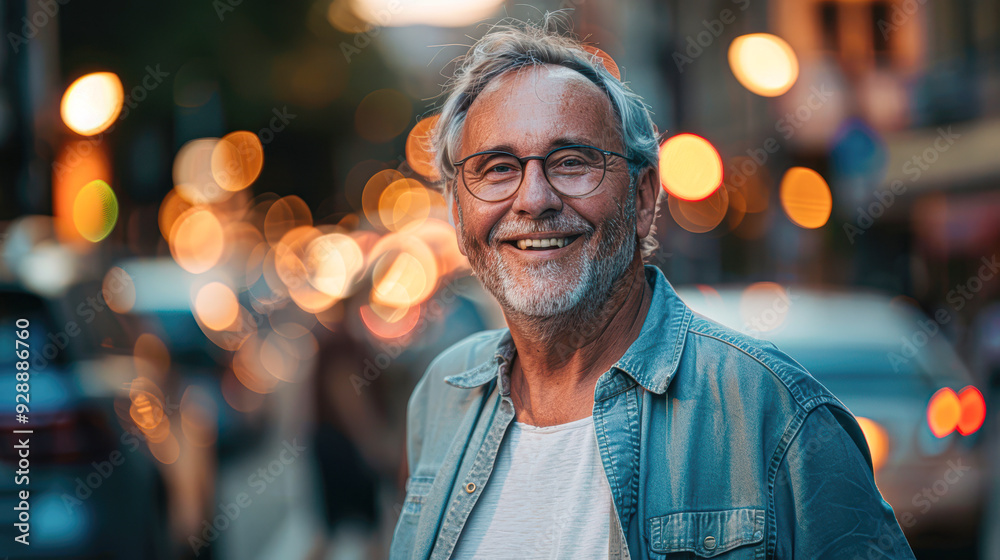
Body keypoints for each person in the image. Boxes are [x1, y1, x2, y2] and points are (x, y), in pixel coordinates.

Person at [390, 15, 915, 560]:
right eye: (497, 169)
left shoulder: (773, 415)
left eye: (572, 162)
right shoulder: (442, 398)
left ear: (643, 198)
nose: (533, 198)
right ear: (457, 211)